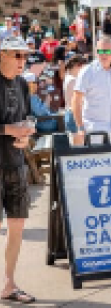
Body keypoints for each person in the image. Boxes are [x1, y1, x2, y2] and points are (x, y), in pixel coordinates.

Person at [0, 36, 36, 304]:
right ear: (2, 54)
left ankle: (9, 284)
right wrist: (6, 129)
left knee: (17, 224)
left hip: (15, 162)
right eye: (17, 55)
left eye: (25, 56)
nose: (23, 61)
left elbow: (27, 117)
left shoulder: (22, 83)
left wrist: (27, 135)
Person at [72, 35, 111, 144]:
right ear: (96, 52)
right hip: (94, 130)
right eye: (100, 51)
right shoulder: (87, 71)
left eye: (108, 51)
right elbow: (76, 101)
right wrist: (80, 128)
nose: (104, 54)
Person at [63, 55, 87, 135]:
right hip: (74, 115)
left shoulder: (69, 77)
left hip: (71, 114)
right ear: (78, 66)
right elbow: (80, 100)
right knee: (78, 145)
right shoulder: (72, 80)